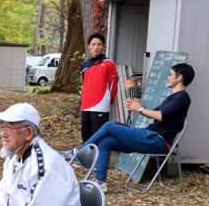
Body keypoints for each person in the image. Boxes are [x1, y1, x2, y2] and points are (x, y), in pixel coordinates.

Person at [64, 62, 195, 188]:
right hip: (149, 137)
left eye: (171, 74)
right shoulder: (173, 97)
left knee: (109, 126)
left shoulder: (181, 97)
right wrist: (139, 106)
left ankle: (78, 154)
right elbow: (154, 113)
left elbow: (161, 115)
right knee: (106, 143)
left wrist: (140, 109)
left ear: (179, 77)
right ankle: (99, 182)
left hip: (156, 140)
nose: (168, 77)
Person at [79, 32, 118, 142]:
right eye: (93, 44)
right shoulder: (85, 65)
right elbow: (84, 83)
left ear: (103, 46)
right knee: (85, 133)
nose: (96, 47)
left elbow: (113, 85)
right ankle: (87, 153)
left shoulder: (109, 64)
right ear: (89, 46)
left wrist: (109, 100)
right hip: (86, 104)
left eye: (99, 44)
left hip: (101, 105)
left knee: (98, 135)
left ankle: (99, 153)